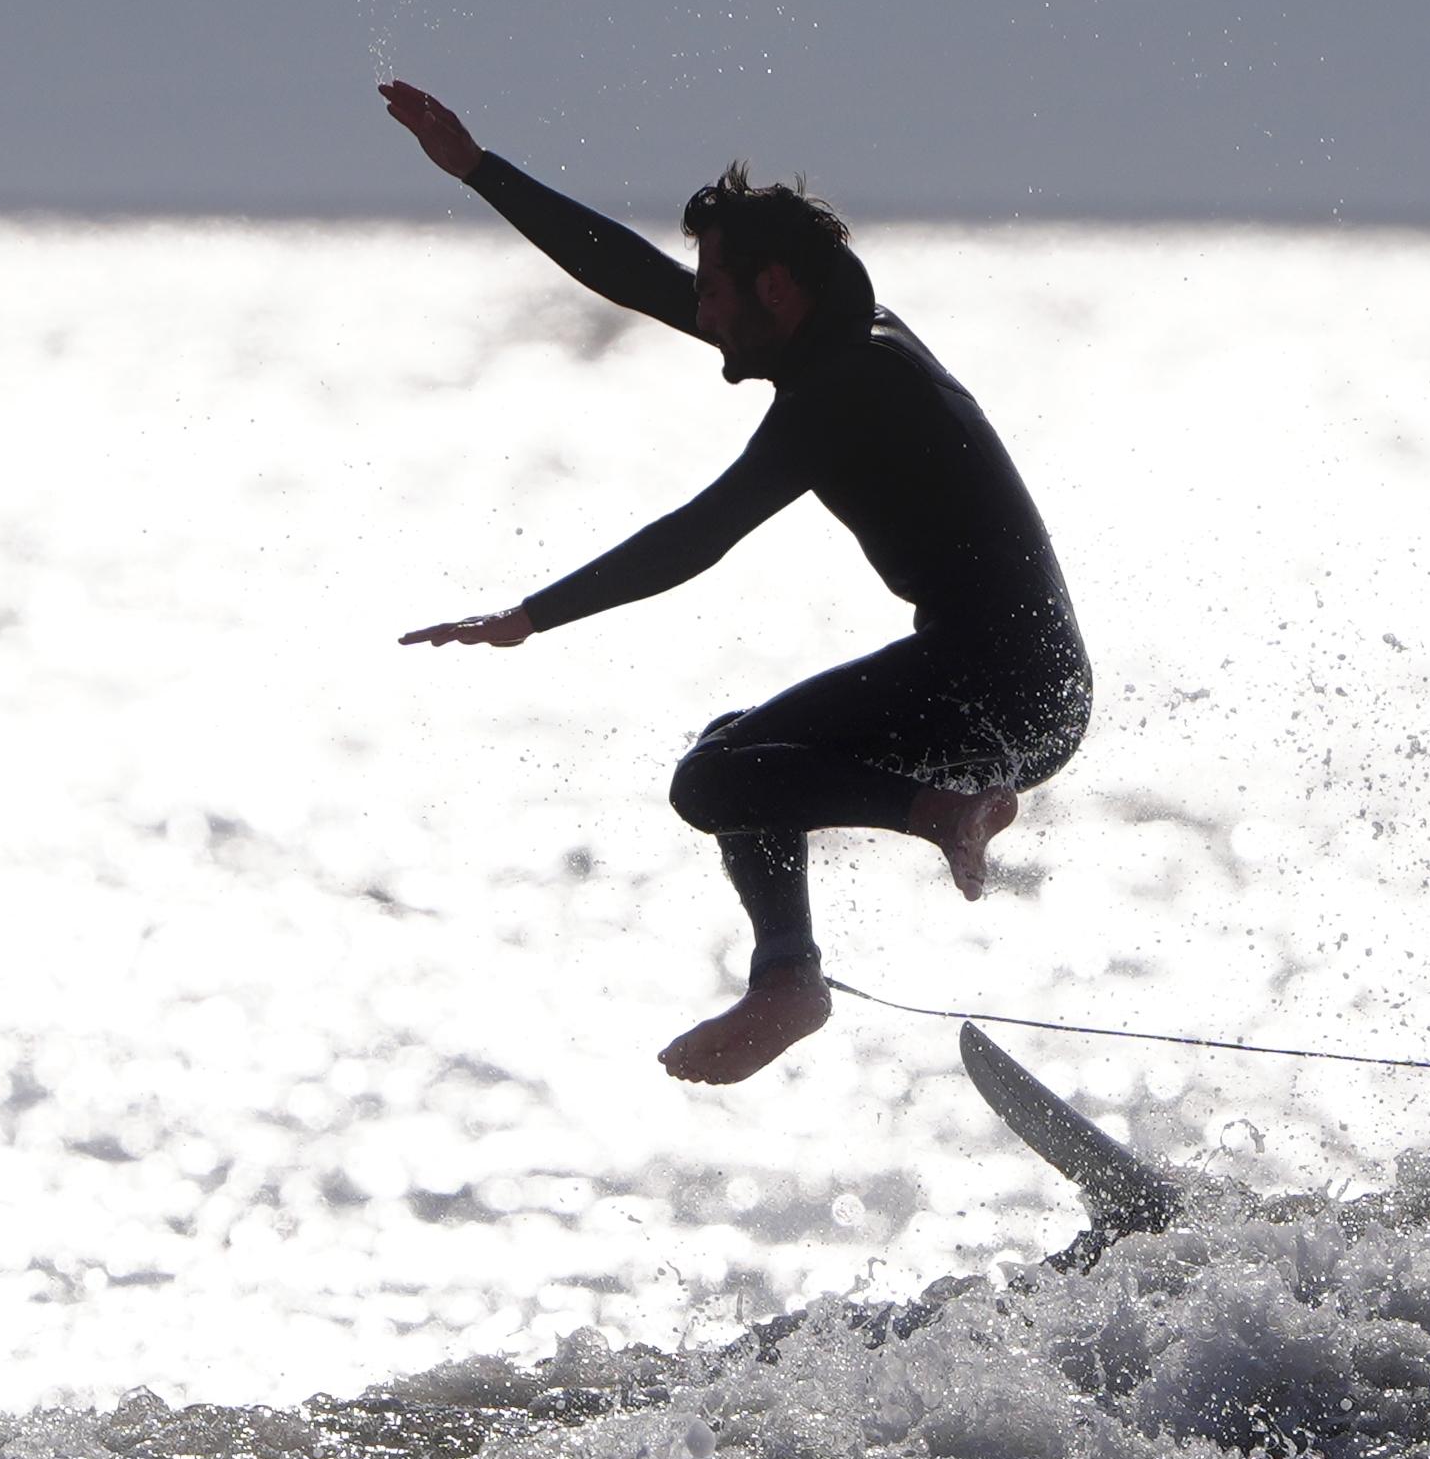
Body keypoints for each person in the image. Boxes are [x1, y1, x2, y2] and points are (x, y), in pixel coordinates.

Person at [382, 81, 1090, 1085]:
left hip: (1002, 691)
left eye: (715, 289)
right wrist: (478, 169)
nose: (699, 309)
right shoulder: (845, 346)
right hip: (1017, 682)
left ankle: (931, 827)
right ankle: (790, 978)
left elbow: (700, 533)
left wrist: (532, 616)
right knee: (733, 758)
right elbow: (631, 277)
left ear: (779, 291)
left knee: (713, 780)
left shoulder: (844, 389)